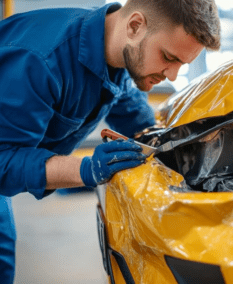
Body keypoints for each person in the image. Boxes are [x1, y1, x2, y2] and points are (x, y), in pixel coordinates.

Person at [0, 0, 221, 282]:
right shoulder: (40, 60)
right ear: (135, 25)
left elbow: (136, 116)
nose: (173, 75)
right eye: (168, 57)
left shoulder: (116, 55)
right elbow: (2, 161)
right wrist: (86, 170)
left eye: (182, 63)